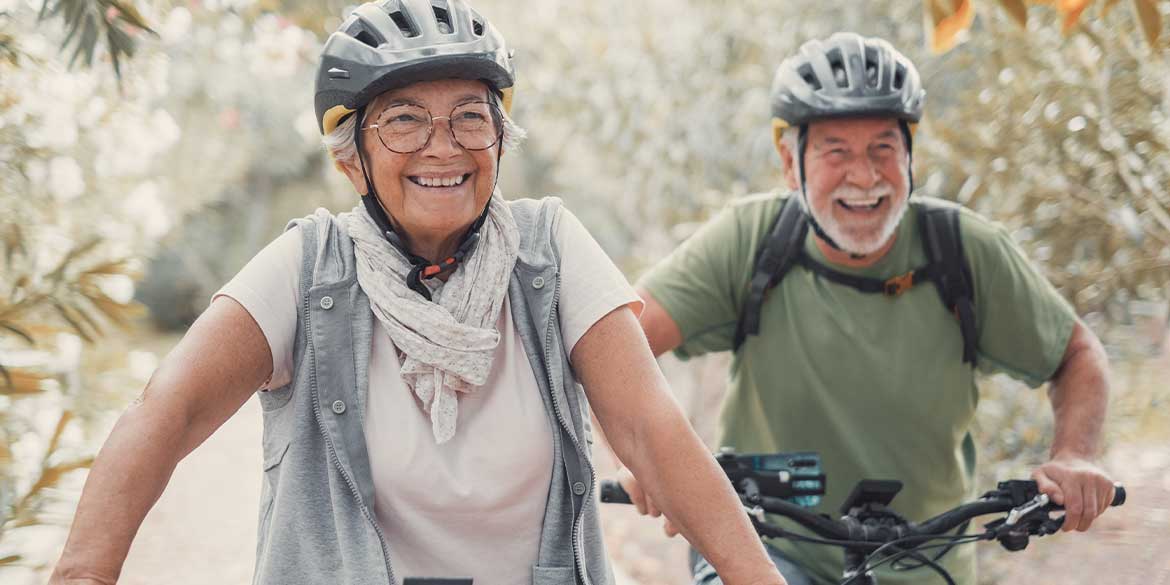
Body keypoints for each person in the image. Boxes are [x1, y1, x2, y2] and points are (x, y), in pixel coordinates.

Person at [48, 1, 788, 584]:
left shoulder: (551, 250)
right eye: (404, 120)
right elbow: (167, 411)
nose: (444, 145)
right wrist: (83, 572)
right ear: (352, 160)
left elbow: (652, 430)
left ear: (500, 138)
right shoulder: (309, 268)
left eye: (471, 115)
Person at [618, 32, 1117, 585]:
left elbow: (1076, 353)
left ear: (910, 157)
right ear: (791, 164)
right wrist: (643, 455)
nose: (864, 175)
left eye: (883, 148)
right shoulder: (751, 239)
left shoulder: (965, 252)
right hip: (764, 548)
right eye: (836, 151)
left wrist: (1074, 455)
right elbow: (618, 340)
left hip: (925, 561)